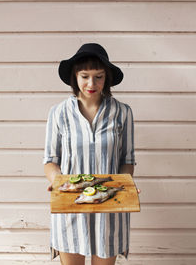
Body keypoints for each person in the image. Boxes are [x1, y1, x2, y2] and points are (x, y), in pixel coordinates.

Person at [44, 43, 136, 265]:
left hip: (110, 207)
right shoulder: (58, 113)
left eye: (99, 77)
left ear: (107, 78)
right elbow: (50, 161)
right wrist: (59, 183)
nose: (91, 84)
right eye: (84, 76)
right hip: (70, 206)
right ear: (75, 77)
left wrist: (124, 185)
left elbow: (127, 160)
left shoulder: (122, 113)